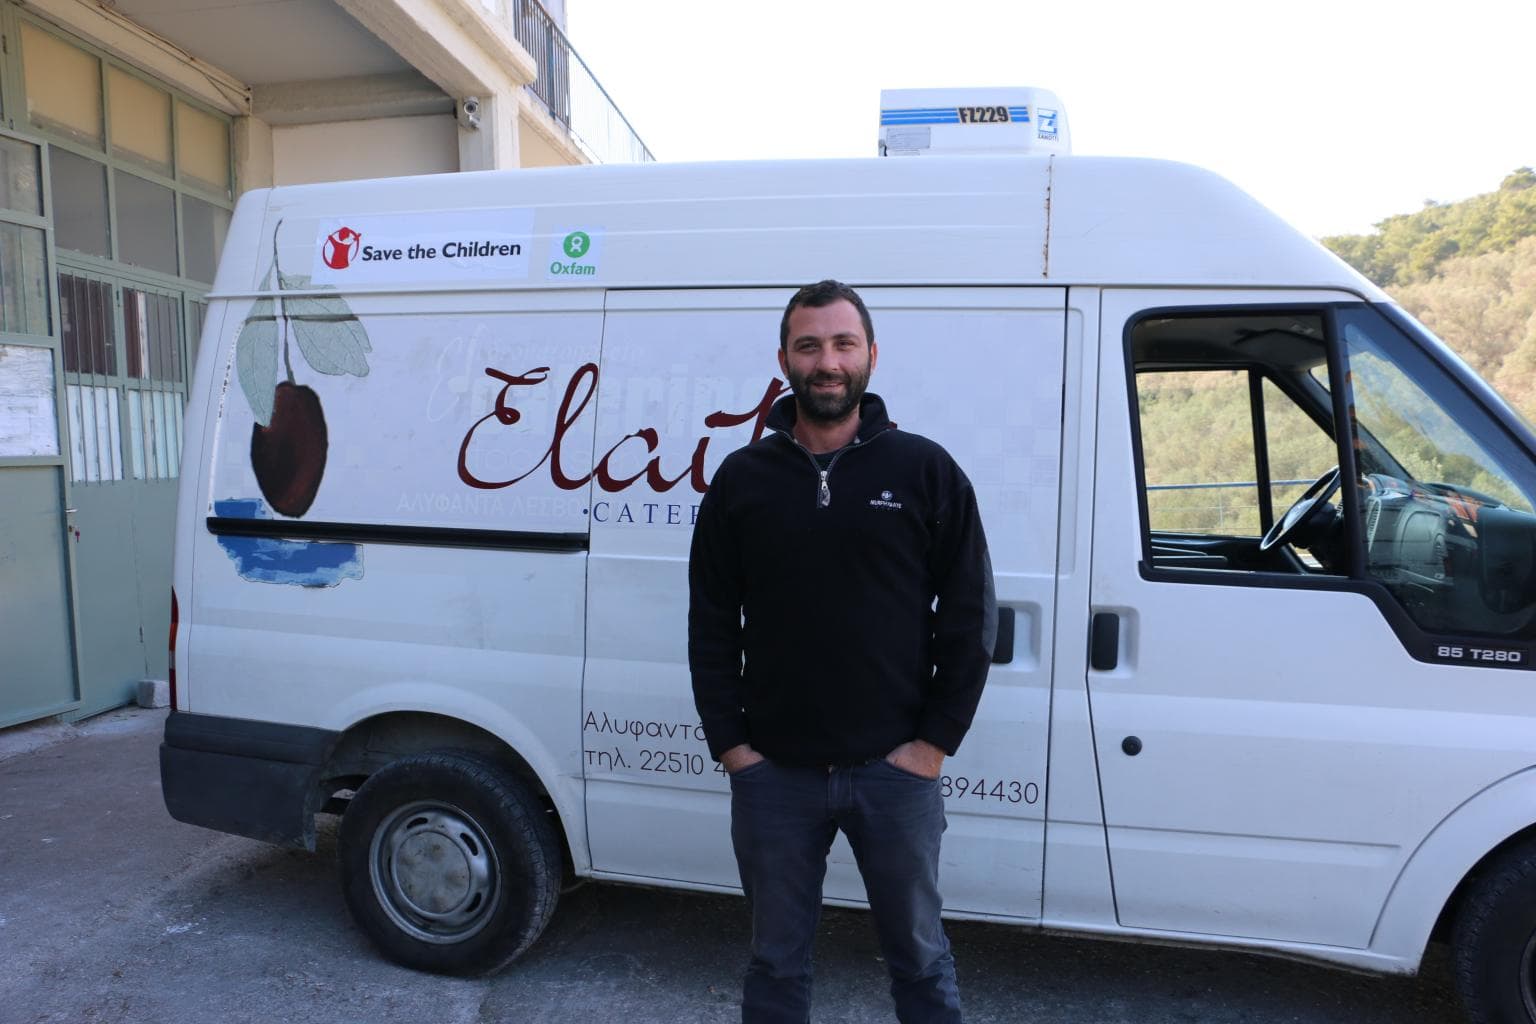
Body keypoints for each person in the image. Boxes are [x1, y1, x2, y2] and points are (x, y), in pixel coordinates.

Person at [688, 279, 997, 1024]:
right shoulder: (742, 479)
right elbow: (709, 619)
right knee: (774, 964)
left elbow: (970, 616)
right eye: (809, 346)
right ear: (785, 360)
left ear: (870, 356)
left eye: (842, 344)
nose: (827, 361)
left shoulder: (925, 471)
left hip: (895, 775)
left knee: (921, 962)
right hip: (775, 778)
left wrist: (933, 745)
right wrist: (733, 748)